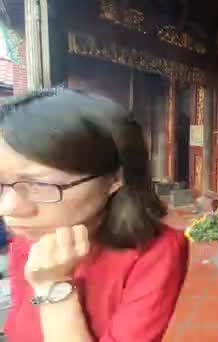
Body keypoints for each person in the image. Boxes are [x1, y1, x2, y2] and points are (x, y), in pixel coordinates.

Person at [0, 89, 188, 342]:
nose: (8, 209)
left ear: (114, 179)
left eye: (39, 185)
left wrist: (53, 286)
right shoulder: (28, 237)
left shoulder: (154, 254)